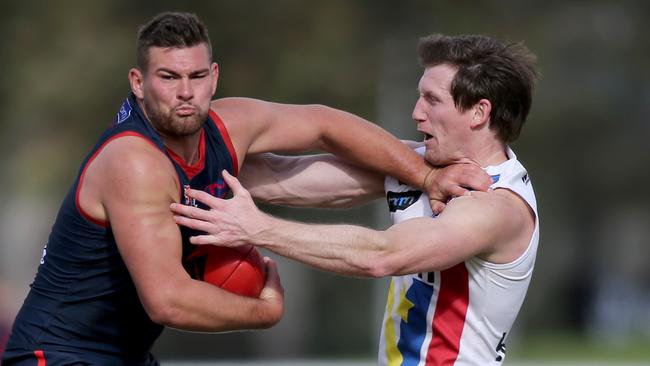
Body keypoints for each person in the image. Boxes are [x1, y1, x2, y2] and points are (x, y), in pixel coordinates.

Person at [2, 13, 490, 366]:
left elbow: (322, 125)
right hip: (57, 353)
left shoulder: (226, 126)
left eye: (196, 76)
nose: (185, 92)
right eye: (168, 77)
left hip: (122, 353)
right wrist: (262, 312)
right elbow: (167, 300)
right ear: (138, 81)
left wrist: (424, 175)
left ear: (213, 77)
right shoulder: (134, 162)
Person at [171, 34, 540, 365]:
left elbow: (382, 255)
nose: (417, 112)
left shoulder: (498, 205)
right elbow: (277, 179)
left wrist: (257, 228)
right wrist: (176, 151)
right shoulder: (421, 168)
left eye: (432, 100)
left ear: (479, 112)